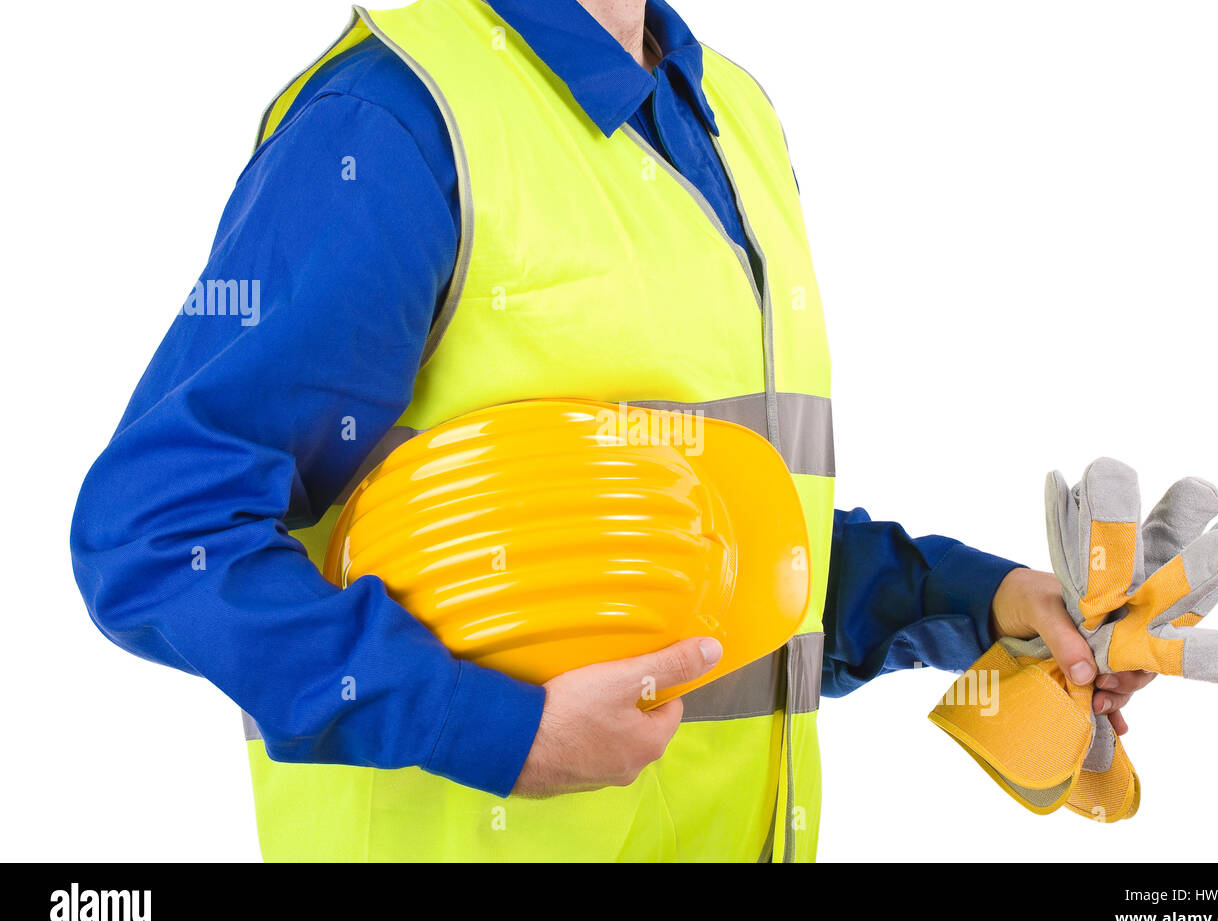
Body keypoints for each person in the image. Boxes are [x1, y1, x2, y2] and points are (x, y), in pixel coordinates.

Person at [70, 0, 1152, 862]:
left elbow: (701, 543)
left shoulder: (729, 115)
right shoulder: (395, 125)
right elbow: (159, 533)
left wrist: (986, 604)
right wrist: (495, 729)